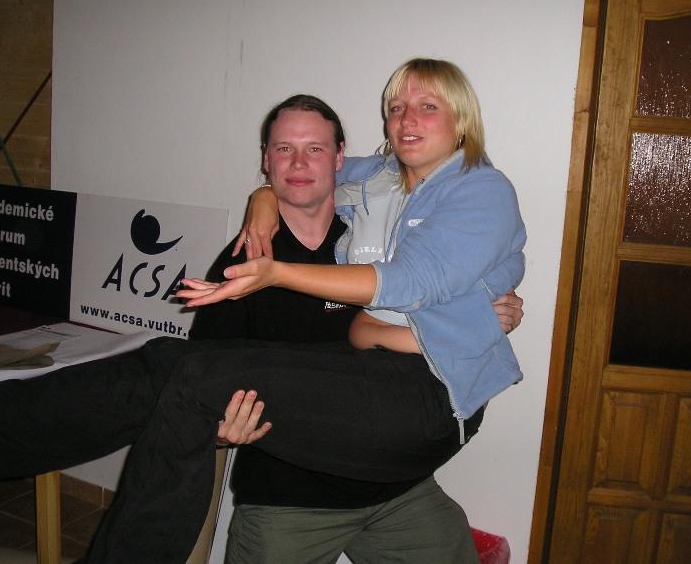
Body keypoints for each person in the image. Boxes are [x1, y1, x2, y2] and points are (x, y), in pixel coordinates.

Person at [0, 58, 525, 563]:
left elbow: (413, 281)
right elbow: (319, 178)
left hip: (412, 431)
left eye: (428, 106)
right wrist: (262, 199)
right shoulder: (379, 186)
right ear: (267, 159)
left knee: (185, 373)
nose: (406, 119)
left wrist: (278, 273)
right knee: (175, 365)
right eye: (397, 107)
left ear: (462, 119)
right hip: (298, 486)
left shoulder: (477, 190)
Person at [189, 94, 524, 564]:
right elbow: (202, 386)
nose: (299, 163)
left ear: (340, 158)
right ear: (266, 160)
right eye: (284, 149)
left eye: (315, 148)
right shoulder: (239, 267)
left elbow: (440, 282)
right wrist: (225, 430)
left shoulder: (380, 238)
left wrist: (487, 314)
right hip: (290, 499)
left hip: (396, 488)